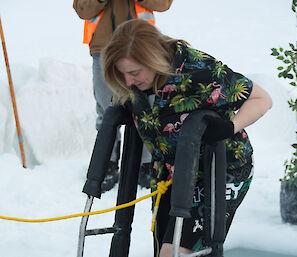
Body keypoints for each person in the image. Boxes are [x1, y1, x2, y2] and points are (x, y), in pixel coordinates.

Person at [101, 19, 272, 257]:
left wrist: (230, 126)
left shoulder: (201, 71)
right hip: (173, 172)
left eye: (134, 73)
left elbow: (262, 99)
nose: (129, 81)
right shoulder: (132, 82)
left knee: (174, 252)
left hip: (220, 169)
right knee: (164, 248)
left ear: (154, 59)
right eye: (122, 74)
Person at [73, 0, 173, 191]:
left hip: (142, 49)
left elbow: (162, 4)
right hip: (104, 50)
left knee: (149, 109)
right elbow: (83, 10)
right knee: (107, 110)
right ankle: (107, 165)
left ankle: (147, 164)